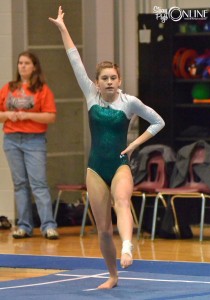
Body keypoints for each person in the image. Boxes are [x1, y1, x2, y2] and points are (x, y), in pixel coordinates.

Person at [49, 6, 165, 289]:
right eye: (104, 79)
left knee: (123, 202)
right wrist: (64, 28)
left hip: (119, 163)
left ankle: (127, 246)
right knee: (102, 230)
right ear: (97, 84)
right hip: (95, 168)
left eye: (114, 78)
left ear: (120, 80)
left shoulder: (130, 102)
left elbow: (158, 122)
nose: (110, 82)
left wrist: (134, 145)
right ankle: (112, 275)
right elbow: (74, 59)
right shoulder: (91, 95)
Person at [0, 51, 59, 240]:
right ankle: (24, 225)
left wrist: (27, 115)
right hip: (12, 139)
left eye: (26, 63)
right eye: (20, 63)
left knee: (39, 184)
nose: (22, 66)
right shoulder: (9, 88)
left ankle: (48, 225)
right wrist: (8, 115)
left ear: (34, 67)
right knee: (19, 184)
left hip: (34, 139)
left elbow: (50, 116)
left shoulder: (42, 90)